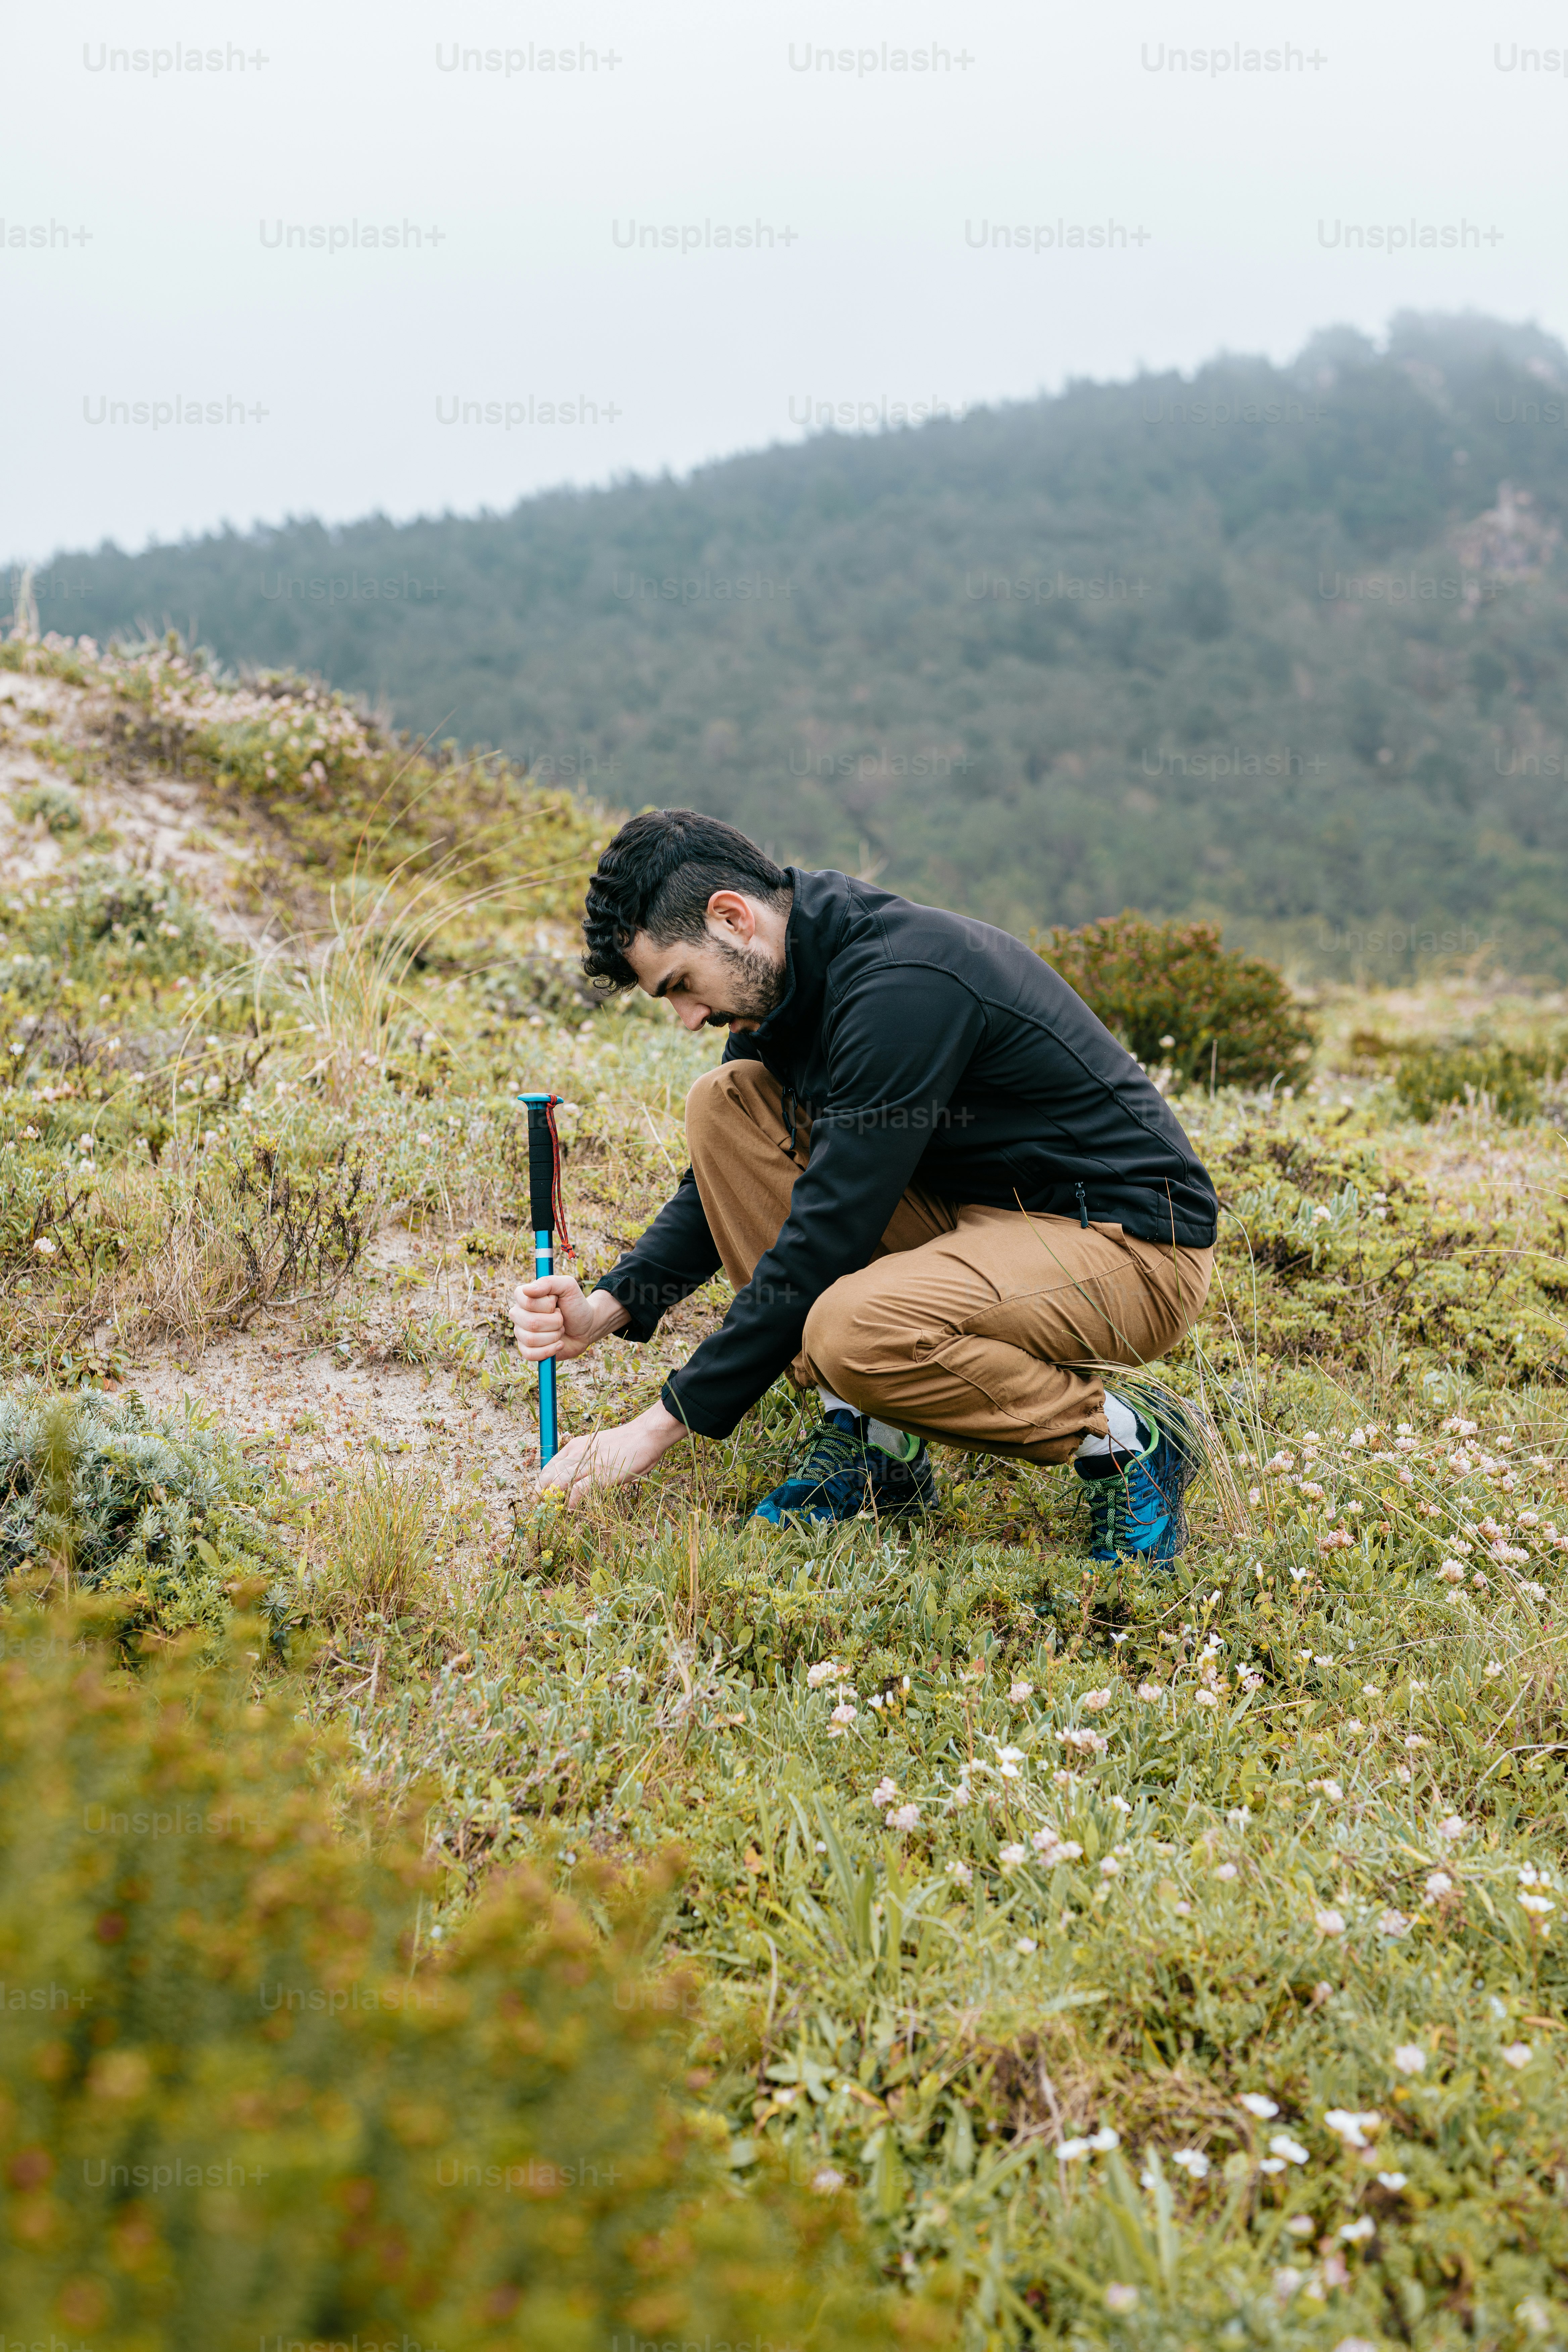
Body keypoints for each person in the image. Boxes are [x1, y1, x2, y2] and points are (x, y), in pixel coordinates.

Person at [510, 809, 1219, 1562]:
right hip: (979, 1218)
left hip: (1128, 1246)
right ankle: (874, 1446)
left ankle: (1125, 1439)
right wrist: (606, 1308)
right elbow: (723, 1187)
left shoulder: (899, 986)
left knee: (854, 1330)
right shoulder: (785, 986)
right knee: (725, 1104)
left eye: (680, 984)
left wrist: (653, 1430)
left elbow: (826, 1230)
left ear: (731, 917)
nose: (688, 1017)